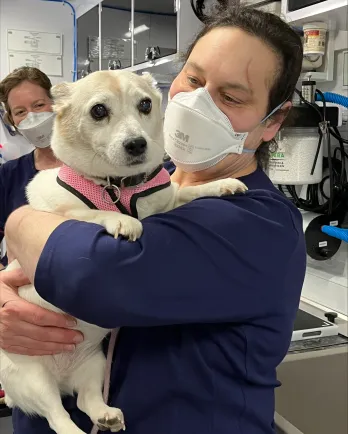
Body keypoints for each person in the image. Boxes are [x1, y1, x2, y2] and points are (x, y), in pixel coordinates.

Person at [1, 6, 306, 434]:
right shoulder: (135, 178)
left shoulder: (260, 224)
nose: (198, 102)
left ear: (272, 122)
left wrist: (19, 224)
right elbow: (29, 273)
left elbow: (91, 274)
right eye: (194, 80)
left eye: (231, 97)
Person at [0, 67, 61, 269]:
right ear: (12, 121)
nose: (31, 117)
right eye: (20, 112)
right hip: (20, 285)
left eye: (39, 105)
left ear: (55, 105)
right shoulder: (9, 175)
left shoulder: (90, 168)